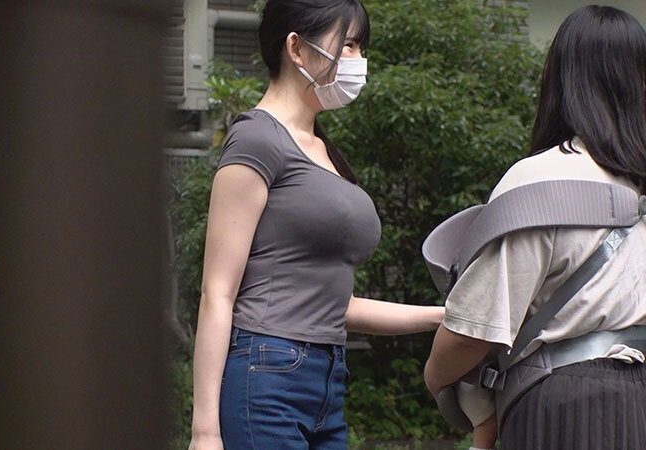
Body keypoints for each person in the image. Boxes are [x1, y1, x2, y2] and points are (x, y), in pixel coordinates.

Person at [187, 1, 445, 449]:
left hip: (326, 380)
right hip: (266, 372)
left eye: (360, 48)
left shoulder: (323, 151)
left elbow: (334, 305)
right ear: (296, 48)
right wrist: (204, 431)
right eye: (348, 45)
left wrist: (446, 316)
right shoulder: (257, 139)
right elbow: (218, 293)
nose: (358, 61)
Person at [424, 5, 646, 449]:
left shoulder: (541, 179)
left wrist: (435, 376)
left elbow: (472, 332)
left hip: (565, 407)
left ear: (560, 79)